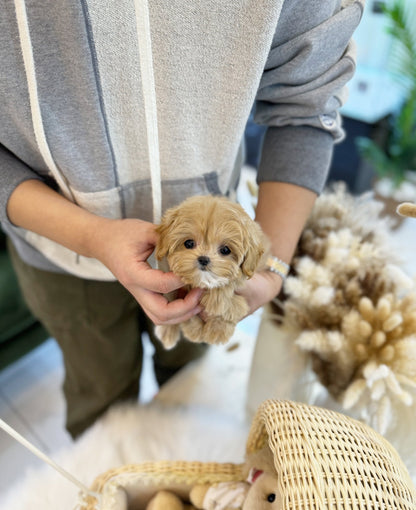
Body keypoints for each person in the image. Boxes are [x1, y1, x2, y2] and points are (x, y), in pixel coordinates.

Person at [0, 0, 364, 438]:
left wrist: (274, 267)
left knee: (188, 384)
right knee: (99, 406)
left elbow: (308, 106)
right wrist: (90, 234)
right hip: (58, 250)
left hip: (199, 278)